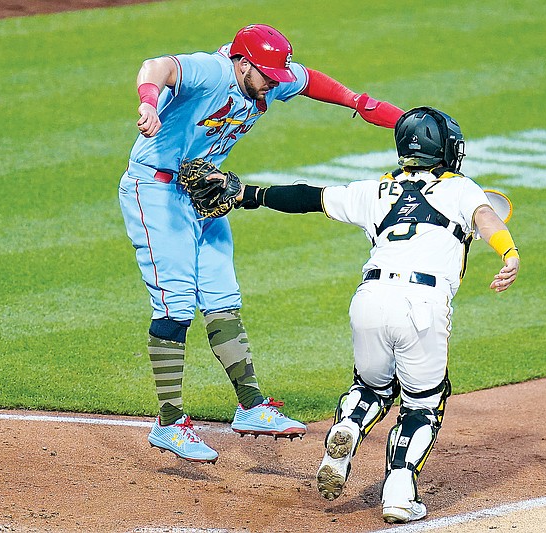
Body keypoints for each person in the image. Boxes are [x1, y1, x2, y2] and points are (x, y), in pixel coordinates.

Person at [118, 23, 404, 464]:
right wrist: (149, 103)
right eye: (267, 75)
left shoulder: (266, 78)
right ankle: (169, 424)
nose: (274, 84)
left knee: (221, 298)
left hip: (202, 191)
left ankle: (250, 407)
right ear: (242, 63)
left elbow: (311, 82)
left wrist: (359, 103)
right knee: (175, 305)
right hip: (154, 190)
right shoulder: (212, 72)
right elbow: (155, 66)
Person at [229, 107, 520, 522]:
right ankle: (400, 492)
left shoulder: (376, 189)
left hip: (369, 296)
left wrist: (248, 195)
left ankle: (347, 427)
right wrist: (508, 252)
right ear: (446, 149)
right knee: (423, 403)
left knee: (371, 387)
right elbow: (487, 216)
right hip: (421, 303)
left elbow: (308, 197)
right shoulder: (462, 189)